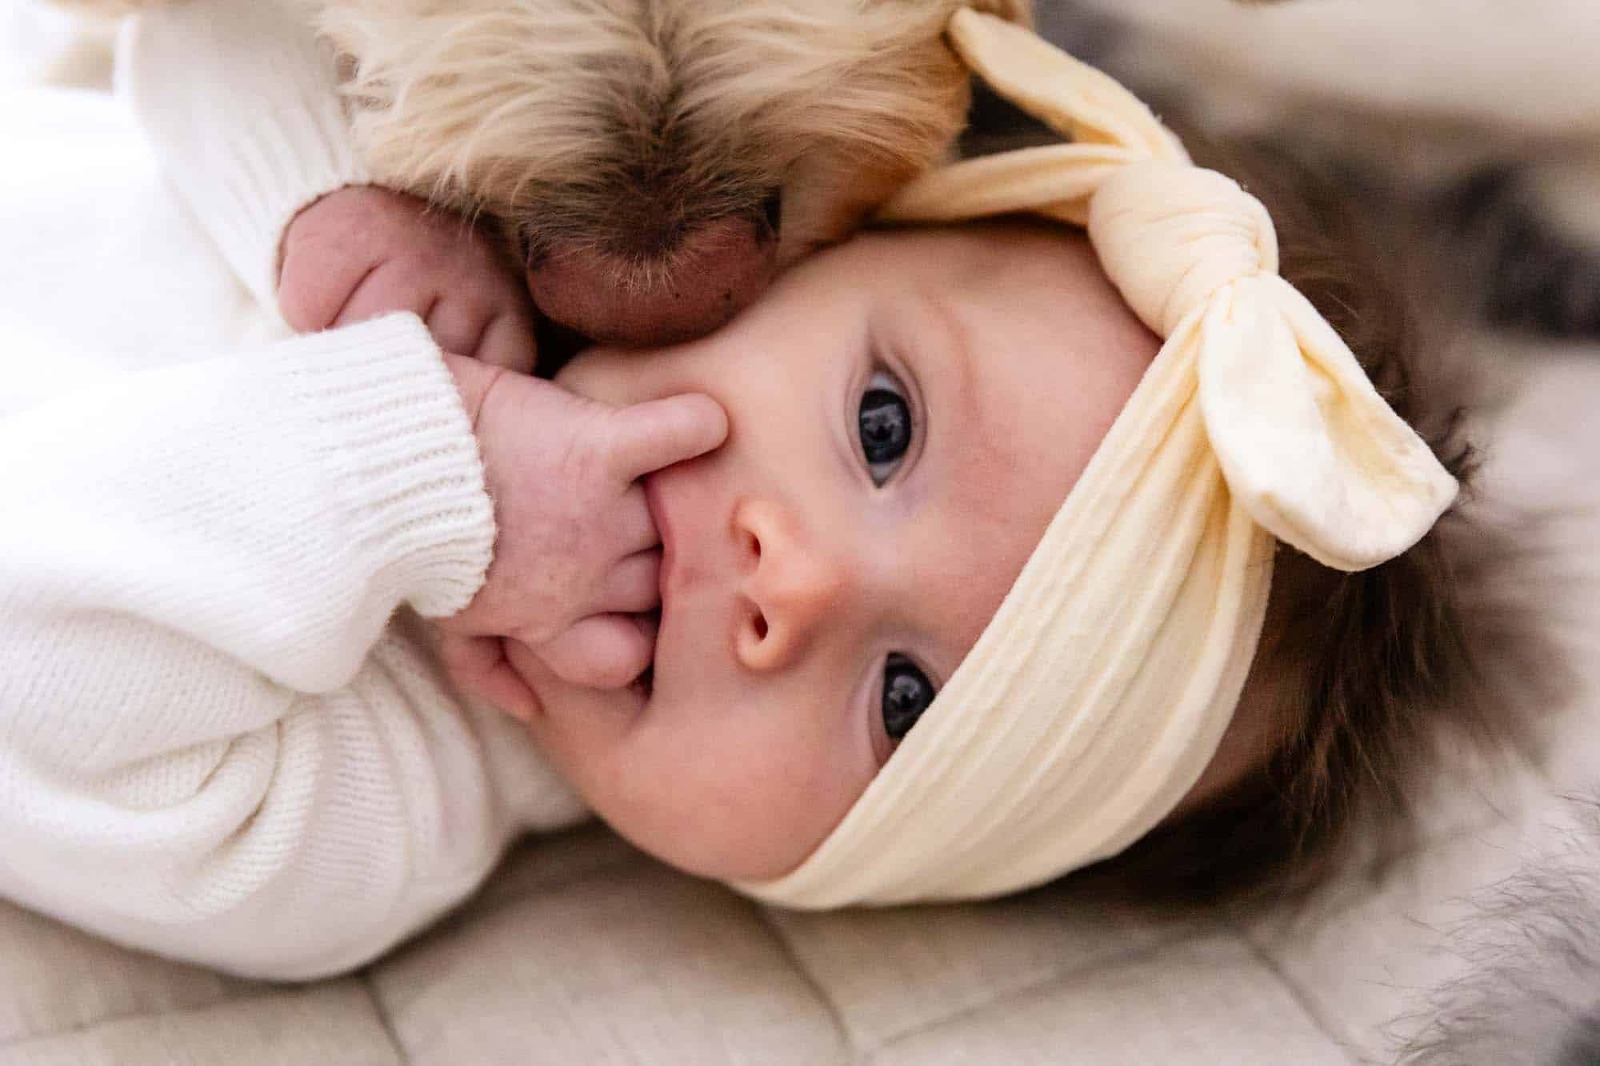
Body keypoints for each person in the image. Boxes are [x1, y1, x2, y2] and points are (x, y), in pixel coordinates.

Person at [0, 8, 1545, 978]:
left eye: (911, 706)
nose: (788, 577)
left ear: (848, 883)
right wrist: (314, 204)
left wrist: (414, 471)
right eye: (882, 422)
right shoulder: (495, 303)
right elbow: (193, 46)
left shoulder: (357, 823)